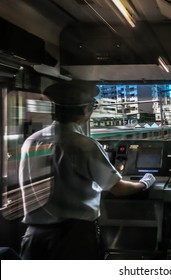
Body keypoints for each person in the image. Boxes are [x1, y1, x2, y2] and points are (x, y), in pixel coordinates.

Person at [18, 80, 155, 260]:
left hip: (33, 236)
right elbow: (118, 188)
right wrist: (145, 182)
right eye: (92, 106)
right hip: (72, 238)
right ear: (85, 110)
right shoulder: (84, 145)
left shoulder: (31, 141)